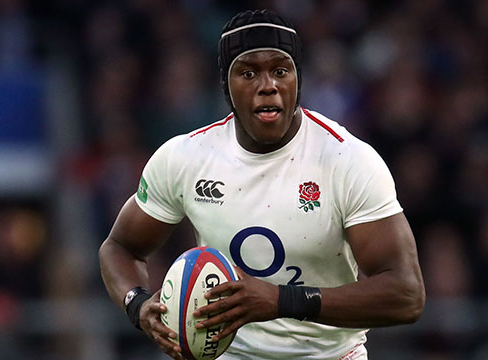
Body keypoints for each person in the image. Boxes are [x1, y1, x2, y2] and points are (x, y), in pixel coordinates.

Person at [99, 9, 425, 360]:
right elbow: (119, 247)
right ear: (226, 86)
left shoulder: (348, 161)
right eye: (249, 72)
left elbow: (406, 294)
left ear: (298, 81)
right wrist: (137, 304)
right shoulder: (186, 158)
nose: (267, 85)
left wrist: (281, 300)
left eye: (280, 71)